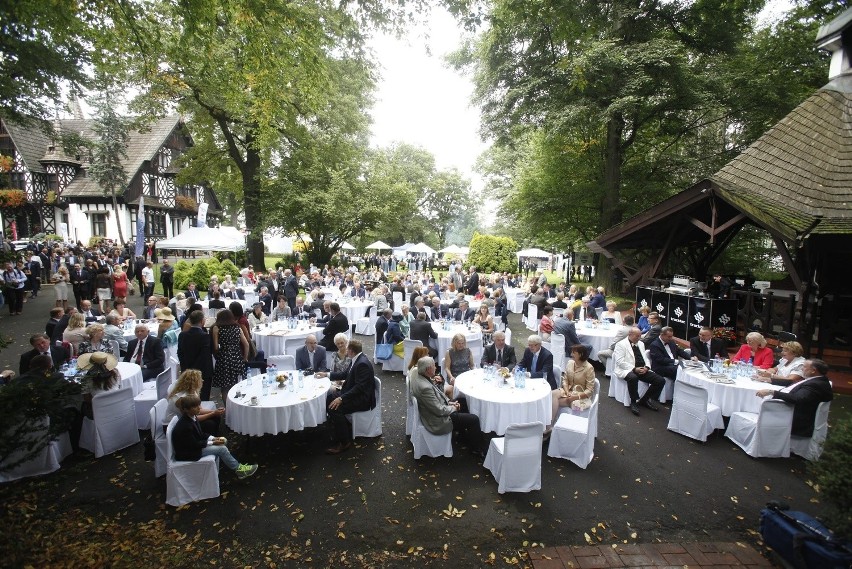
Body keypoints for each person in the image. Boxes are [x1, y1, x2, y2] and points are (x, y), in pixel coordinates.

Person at [411, 356, 485, 457]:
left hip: (433, 409)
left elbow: (437, 396)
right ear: (428, 370)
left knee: (462, 401)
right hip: (438, 420)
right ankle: (476, 449)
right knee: (474, 419)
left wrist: (450, 402)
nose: (436, 368)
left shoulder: (417, 372)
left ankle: (462, 435)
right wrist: (454, 408)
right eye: (434, 367)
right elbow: (439, 410)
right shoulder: (425, 389)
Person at [171, 394, 258, 479]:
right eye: (195, 407)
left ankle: (227, 461)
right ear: (186, 409)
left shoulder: (192, 417)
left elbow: (200, 434)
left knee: (223, 441)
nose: (198, 408)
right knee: (222, 449)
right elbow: (195, 444)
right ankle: (239, 470)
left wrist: (213, 438)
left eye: (198, 405)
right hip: (189, 453)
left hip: (194, 447)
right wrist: (213, 442)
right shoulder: (186, 426)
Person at [755, 359, 833, 437]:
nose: (802, 369)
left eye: (804, 367)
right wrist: (768, 380)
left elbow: (798, 398)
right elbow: (792, 383)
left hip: (794, 419)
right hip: (791, 411)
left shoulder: (816, 384)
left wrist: (772, 392)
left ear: (813, 370)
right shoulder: (816, 380)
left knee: (754, 412)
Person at [325, 339, 375, 454]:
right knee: (329, 398)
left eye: (347, 348)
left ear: (351, 351)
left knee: (334, 408)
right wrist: (327, 374)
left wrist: (341, 398)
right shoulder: (356, 359)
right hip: (353, 393)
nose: (346, 350)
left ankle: (344, 442)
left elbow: (360, 388)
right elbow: (344, 374)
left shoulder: (362, 364)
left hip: (362, 399)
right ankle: (338, 426)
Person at [613, 327, 666, 416]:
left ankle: (644, 400)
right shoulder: (621, 344)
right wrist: (634, 369)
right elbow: (620, 362)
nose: (639, 338)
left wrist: (647, 367)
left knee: (660, 380)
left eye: (640, 336)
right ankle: (633, 401)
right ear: (630, 335)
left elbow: (645, 358)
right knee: (633, 377)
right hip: (627, 369)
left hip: (641, 369)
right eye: (637, 336)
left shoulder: (641, 344)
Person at [164, 370, 223, 435]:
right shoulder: (181, 398)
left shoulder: (193, 391)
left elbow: (199, 410)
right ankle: (206, 440)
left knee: (216, 417)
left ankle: (214, 437)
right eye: (200, 379)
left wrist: (215, 412)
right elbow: (193, 418)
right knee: (209, 424)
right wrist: (213, 413)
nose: (202, 380)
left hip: (185, 420)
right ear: (194, 383)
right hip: (173, 426)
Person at [549, 344, 595, 426]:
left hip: (579, 394)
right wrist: (566, 391)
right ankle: (551, 424)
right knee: (551, 395)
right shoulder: (570, 363)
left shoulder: (589, 368)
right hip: (569, 390)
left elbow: (589, 390)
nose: (571, 355)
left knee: (555, 402)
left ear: (581, 354)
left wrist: (575, 397)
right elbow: (565, 379)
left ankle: (551, 425)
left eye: (574, 353)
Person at [211, 309, 249, 404]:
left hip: (224, 358)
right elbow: (246, 344)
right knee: (238, 384)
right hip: (236, 357)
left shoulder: (217, 329)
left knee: (225, 388)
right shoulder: (238, 328)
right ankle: (239, 405)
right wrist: (245, 358)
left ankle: (227, 409)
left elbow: (215, 347)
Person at [178, 310, 215, 401]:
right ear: (202, 321)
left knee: (189, 396)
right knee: (203, 398)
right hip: (202, 372)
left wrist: (185, 368)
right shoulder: (204, 336)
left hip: (187, 370)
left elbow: (180, 353)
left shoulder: (182, 335)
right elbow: (205, 356)